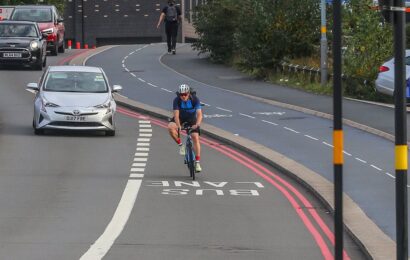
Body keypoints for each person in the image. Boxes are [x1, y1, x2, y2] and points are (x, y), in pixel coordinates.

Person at [168, 84, 203, 172]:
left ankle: (197, 163)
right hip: (180, 117)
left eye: (185, 94)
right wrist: (179, 126)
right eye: (181, 95)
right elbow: (176, 115)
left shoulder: (195, 99)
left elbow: (199, 114)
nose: (183, 96)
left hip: (192, 119)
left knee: (195, 137)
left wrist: (197, 124)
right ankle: (181, 146)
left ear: (188, 93)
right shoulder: (177, 100)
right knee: (170, 127)